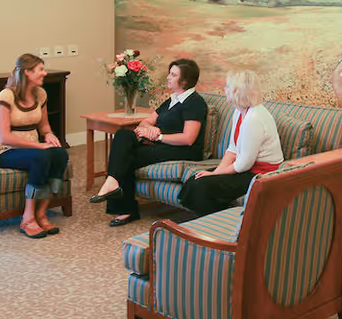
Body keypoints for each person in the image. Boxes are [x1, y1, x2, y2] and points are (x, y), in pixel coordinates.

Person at [89, 58, 208, 227]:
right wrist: (152, 129)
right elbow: (145, 122)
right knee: (123, 135)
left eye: (173, 75)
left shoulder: (195, 103)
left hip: (184, 150)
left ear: (185, 81)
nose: (168, 77)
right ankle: (113, 183)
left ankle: (122, 201)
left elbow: (188, 139)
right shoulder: (172, 100)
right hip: (163, 144)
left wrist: (157, 137)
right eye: (169, 73)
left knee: (126, 155)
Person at [178, 70, 283, 216]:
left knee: (200, 186)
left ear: (236, 91)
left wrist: (215, 173)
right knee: (193, 180)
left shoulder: (254, 118)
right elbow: (232, 149)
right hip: (246, 169)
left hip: (260, 175)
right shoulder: (239, 111)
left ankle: (220, 226)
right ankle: (217, 220)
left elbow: (244, 164)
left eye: (227, 86)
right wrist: (216, 173)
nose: (224, 90)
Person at [0, 54, 70, 239]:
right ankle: (27, 217)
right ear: (27, 72)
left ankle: (42, 213)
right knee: (41, 156)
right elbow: (5, 137)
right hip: (6, 151)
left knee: (60, 154)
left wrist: (49, 135)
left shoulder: (40, 94)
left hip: (32, 149)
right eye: (40, 70)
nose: (45, 73)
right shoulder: (7, 95)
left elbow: (44, 126)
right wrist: (38, 146)